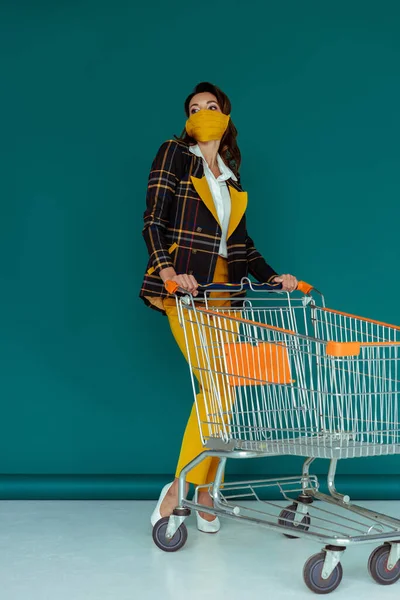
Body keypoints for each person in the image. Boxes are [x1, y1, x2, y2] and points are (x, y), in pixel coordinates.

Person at [140, 81, 298, 533]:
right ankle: (180, 488)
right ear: (188, 120)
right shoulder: (173, 153)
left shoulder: (231, 175)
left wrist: (273, 277)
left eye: (211, 106)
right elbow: (153, 218)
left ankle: (207, 489)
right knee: (217, 384)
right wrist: (168, 272)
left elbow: (242, 245)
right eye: (194, 108)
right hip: (187, 291)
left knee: (225, 388)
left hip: (227, 296)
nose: (203, 112)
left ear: (225, 116)